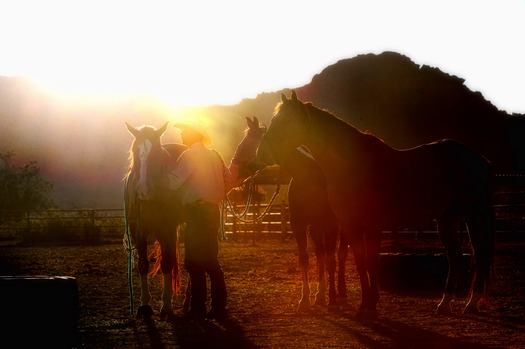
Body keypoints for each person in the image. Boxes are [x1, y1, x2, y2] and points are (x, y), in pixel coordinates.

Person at [166, 121, 243, 320]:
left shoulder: (189, 155)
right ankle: (218, 307)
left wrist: (156, 180)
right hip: (212, 212)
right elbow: (228, 183)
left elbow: (174, 182)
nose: (182, 135)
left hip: (196, 213)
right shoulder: (215, 155)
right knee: (210, 258)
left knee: (193, 260)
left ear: (194, 134)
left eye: (185, 131)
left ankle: (198, 308)